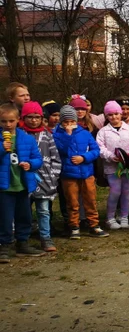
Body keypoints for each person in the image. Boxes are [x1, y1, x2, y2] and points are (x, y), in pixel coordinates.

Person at [54, 105, 107, 238]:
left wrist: (84, 157)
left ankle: (94, 225)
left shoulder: (85, 133)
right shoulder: (57, 135)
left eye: (72, 122)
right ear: (61, 122)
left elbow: (96, 150)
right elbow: (61, 150)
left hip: (86, 172)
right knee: (72, 201)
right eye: (66, 122)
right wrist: (68, 136)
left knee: (90, 199)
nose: (70, 125)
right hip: (68, 174)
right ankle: (74, 226)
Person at [0, 102, 44, 260]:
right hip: (4, 186)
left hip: (23, 184)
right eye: (3, 121)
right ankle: (4, 245)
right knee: (5, 217)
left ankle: (23, 243)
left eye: (11, 121)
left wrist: (30, 164)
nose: (7, 124)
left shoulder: (26, 138)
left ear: (18, 120)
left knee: (24, 215)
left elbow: (38, 159)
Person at [96, 101, 129, 230]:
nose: (114, 117)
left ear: (120, 114)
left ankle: (124, 217)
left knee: (126, 191)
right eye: (110, 115)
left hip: (128, 166)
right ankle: (110, 218)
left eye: (116, 114)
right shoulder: (103, 132)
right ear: (106, 116)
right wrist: (110, 156)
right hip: (112, 167)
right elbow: (100, 147)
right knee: (115, 191)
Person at [22, 101, 60, 251]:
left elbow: (55, 158)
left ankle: (46, 238)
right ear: (23, 117)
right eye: (30, 117)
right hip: (24, 180)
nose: (34, 120)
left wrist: (53, 176)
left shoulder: (47, 136)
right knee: (24, 211)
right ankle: (23, 239)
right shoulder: (19, 135)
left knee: (43, 211)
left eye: (37, 117)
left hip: (45, 180)